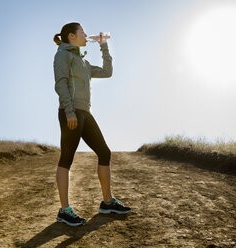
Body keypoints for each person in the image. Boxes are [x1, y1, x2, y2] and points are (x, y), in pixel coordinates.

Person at [53, 22, 131, 227]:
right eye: (82, 32)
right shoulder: (63, 55)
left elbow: (107, 72)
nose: (86, 35)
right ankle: (64, 210)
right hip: (70, 112)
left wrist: (103, 45)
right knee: (67, 158)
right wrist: (69, 111)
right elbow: (60, 83)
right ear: (71, 36)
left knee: (105, 153)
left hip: (85, 113)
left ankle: (107, 202)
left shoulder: (83, 61)